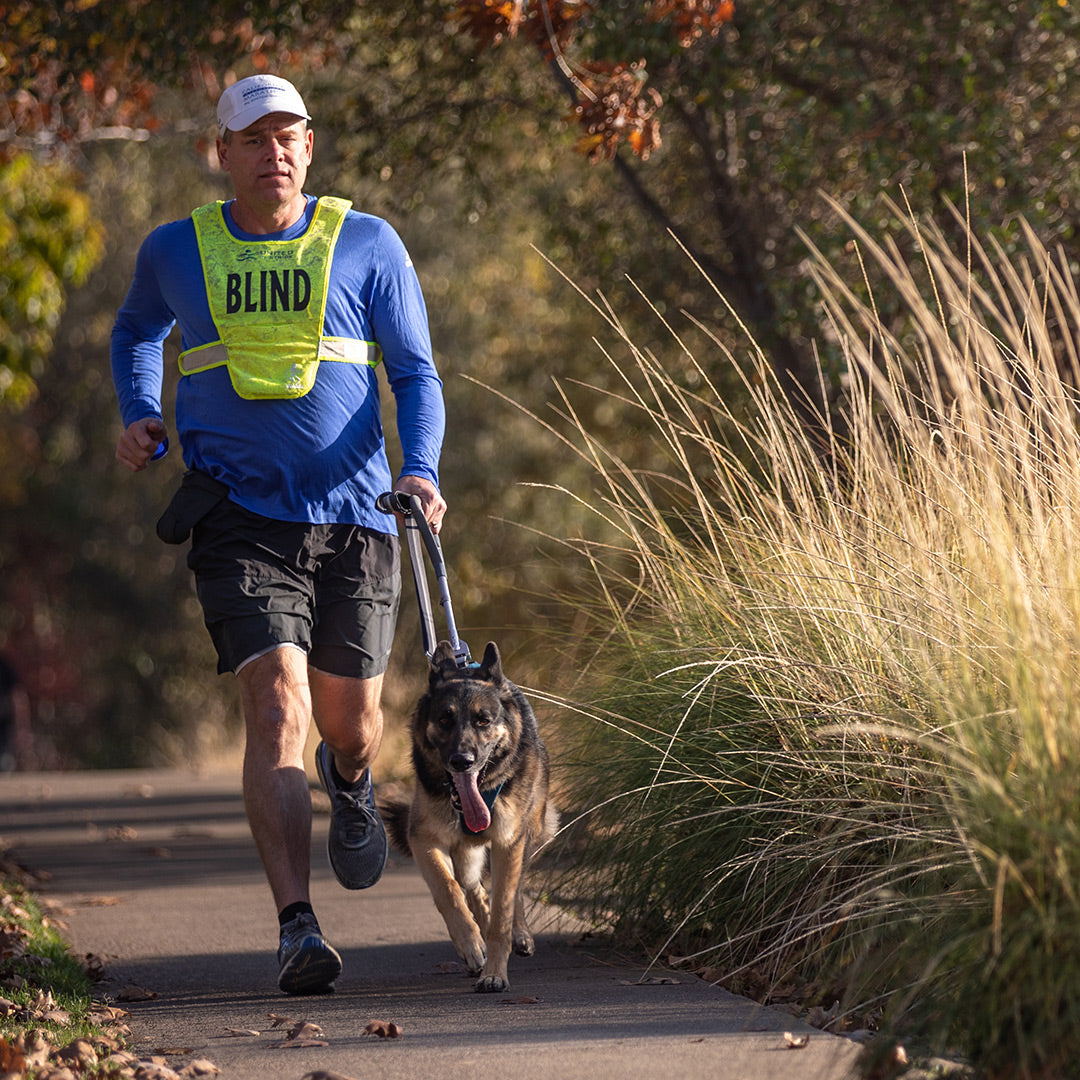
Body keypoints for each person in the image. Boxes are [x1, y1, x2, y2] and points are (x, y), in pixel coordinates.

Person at [111, 74, 447, 995]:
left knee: (352, 722)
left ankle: (350, 781)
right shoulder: (177, 250)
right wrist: (140, 408)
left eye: (288, 135)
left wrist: (419, 467)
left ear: (309, 145)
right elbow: (137, 328)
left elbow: (416, 374)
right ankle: (297, 927)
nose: (274, 152)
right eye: (253, 137)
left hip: (356, 517)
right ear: (221, 152)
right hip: (237, 518)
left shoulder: (369, 242)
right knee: (277, 709)